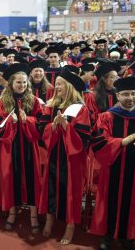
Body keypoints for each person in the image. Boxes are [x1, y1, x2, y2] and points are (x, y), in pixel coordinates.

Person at [90, 77, 135, 250]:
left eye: (133, 94)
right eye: (125, 94)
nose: (130, 97)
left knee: (132, 203)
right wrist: (122, 142)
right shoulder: (106, 117)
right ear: (118, 96)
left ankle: (127, 237)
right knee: (109, 201)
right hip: (111, 170)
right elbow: (99, 141)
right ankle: (107, 236)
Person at [38, 69, 91, 245]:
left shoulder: (80, 109)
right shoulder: (51, 106)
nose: (56, 87)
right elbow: (42, 130)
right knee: (51, 188)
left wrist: (66, 126)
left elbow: (83, 139)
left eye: (59, 84)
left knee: (71, 192)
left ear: (68, 87)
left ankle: (70, 226)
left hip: (72, 159)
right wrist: (52, 127)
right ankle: (50, 220)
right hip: (54, 155)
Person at [0, 63, 43, 234]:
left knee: (32, 179)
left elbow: (41, 124)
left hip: (30, 145)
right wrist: (11, 123)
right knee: (10, 179)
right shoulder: (2, 102)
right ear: (11, 84)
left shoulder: (34, 101)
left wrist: (26, 120)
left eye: (24, 82)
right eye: (18, 83)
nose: (22, 85)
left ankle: (34, 215)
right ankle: (12, 213)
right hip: (9, 147)